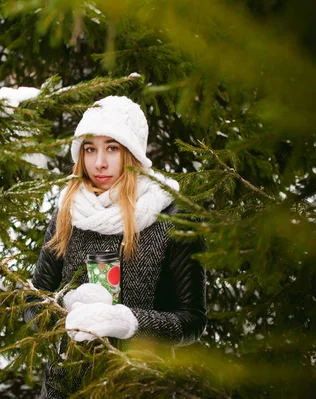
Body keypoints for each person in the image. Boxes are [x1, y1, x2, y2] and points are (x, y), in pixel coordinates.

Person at [26, 96, 207, 398]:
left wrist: (129, 322)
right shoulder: (68, 210)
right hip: (65, 386)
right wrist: (67, 313)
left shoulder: (172, 216)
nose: (99, 162)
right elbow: (34, 300)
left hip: (141, 386)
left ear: (132, 153)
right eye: (90, 149)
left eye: (112, 148)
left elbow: (192, 320)